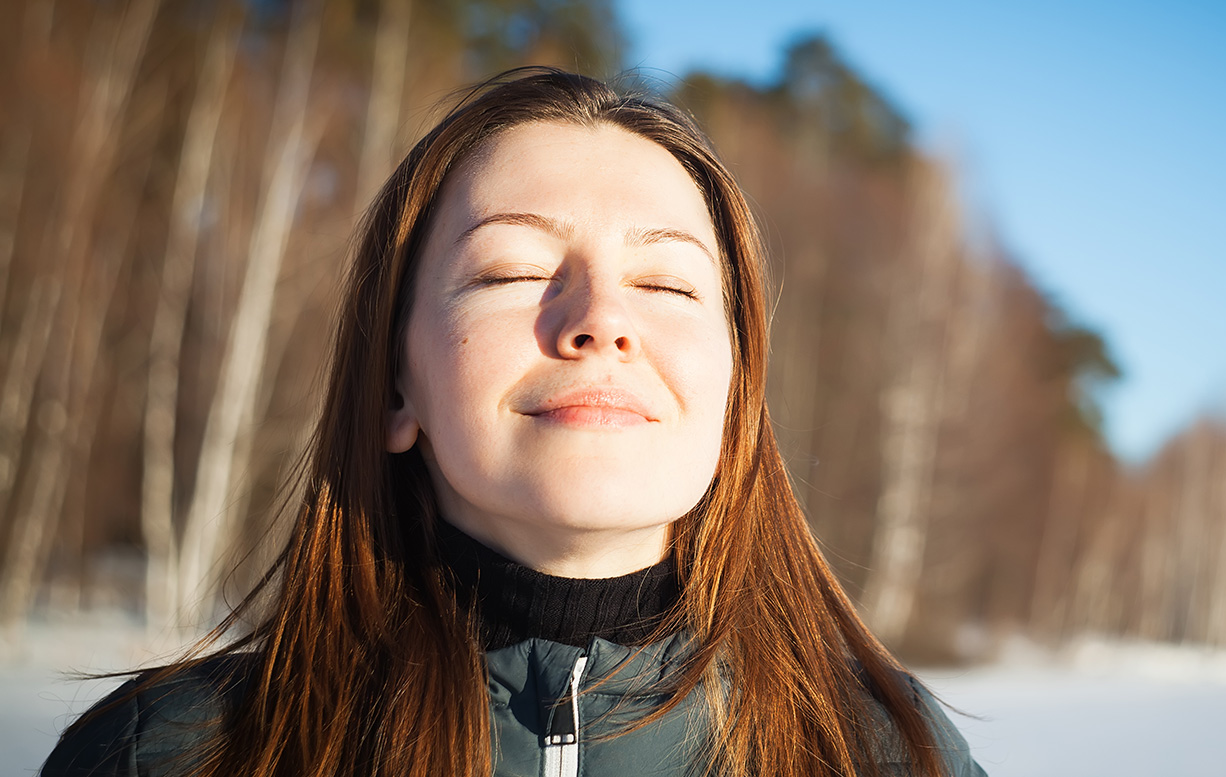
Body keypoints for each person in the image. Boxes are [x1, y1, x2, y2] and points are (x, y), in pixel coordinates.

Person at [41, 68, 986, 777]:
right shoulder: (175, 753)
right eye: (511, 272)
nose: (602, 321)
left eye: (666, 283)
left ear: (736, 396)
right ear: (394, 388)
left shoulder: (890, 751)